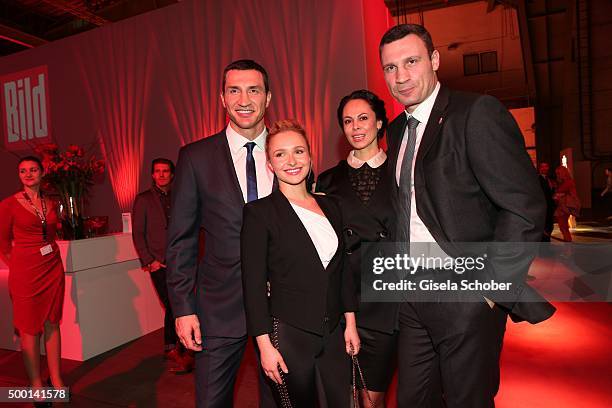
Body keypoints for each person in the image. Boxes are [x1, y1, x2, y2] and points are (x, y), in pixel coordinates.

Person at [379, 24, 555, 407]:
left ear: (435, 60)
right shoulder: (396, 132)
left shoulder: (475, 113)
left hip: (466, 291)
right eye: (390, 68)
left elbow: (524, 205)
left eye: (411, 61)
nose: (401, 76)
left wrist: (491, 289)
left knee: (466, 400)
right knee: (412, 399)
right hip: (412, 294)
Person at [166, 59, 276, 407]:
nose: (244, 99)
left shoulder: (290, 152)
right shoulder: (195, 158)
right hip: (218, 308)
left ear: (268, 98)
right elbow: (180, 241)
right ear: (222, 99)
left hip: (282, 308)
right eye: (234, 90)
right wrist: (183, 309)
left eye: (253, 90)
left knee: (282, 401)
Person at [241, 119, 360, 407]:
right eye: (280, 154)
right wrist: (264, 346)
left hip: (334, 332)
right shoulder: (259, 213)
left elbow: (342, 270)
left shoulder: (332, 205)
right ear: (270, 164)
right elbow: (253, 285)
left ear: (310, 156)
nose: (291, 161)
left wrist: (351, 322)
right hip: (289, 333)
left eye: (299, 151)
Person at [316, 89, 398, 407]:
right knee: (343, 396)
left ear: (379, 123)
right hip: (340, 302)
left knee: (371, 397)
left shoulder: (403, 173)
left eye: (363, 118)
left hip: (387, 300)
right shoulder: (327, 181)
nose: (356, 127)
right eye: (348, 121)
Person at [0, 156, 66, 407]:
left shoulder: (50, 202)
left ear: (42, 172)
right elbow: (3, 244)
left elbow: (50, 233)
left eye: (33, 170)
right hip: (25, 272)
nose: (28, 174)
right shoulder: (8, 205)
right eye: (23, 171)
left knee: (52, 323)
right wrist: (17, 266)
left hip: (52, 269)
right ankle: (36, 383)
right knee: (29, 328)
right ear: (19, 175)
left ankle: (57, 380)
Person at [132, 158, 193, 373]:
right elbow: (138, 234)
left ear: (172, 174)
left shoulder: (181, 196)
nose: (161, 175)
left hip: (183, 260)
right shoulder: (143, 199)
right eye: (157, 171)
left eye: (165, 171)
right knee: (173, 304)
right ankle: (175, 349)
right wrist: (149, 261)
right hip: (159, 262)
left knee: (180, 304)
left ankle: (179, 347)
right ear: (152, 174)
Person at [553, 165, 579, 242]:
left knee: (563, 226)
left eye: (558, 173)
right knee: (563, 227)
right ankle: (567, 242)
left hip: (564, 207)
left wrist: (557, 194)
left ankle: (568, 243)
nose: (557, 175)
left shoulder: (567, 182)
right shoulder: (566, 182)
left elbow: (560, 193)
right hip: (563, 206)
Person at [538, 162, 556, 242]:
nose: (544, 168)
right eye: (542, 167)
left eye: (546, 167)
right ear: (539, 168)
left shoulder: (549, 179)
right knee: (545, 224)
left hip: (549, 206)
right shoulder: (538, 179)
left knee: (549, 224)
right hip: (543, 206)